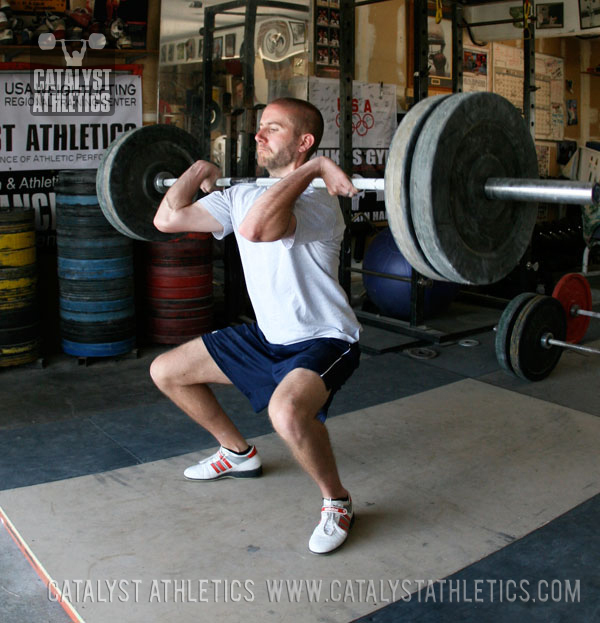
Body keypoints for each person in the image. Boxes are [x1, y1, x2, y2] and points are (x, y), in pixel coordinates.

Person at [150, 97, 362, 554]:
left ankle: (337, 501)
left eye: (274, 128)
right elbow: (167, 218)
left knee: (285, 413)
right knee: (166, 371)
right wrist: (198, 168)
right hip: (269, 337)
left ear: (304, 143)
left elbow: (259, 230)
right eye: (260, 127)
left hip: (324, 339)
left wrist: (317, 169)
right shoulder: (241, 194)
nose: (258, 135)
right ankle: (238, 453)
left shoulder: (320, 200)